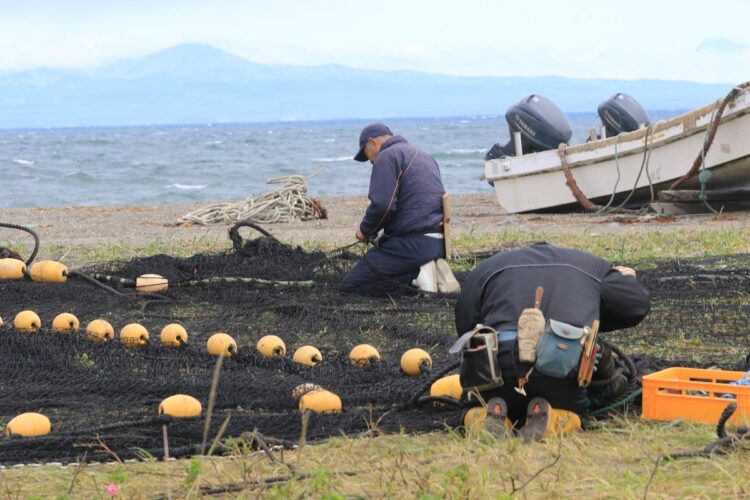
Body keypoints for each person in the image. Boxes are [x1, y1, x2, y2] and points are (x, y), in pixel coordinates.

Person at [454, 242, 650, 441]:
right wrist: (624, 279)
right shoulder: (594, 268)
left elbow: (465, 325)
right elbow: (634, 307)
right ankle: (553, 418)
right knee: (573, 410)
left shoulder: (488, 267)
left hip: (494, 373)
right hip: (563, 371)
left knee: (470, 405)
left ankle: (483, 417)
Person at [341, 123, 458, 296]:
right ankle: (427, 267)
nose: (371, 161)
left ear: (372, 142)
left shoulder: (386, 156)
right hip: (437, 242)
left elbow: (382, 206)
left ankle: (417, 277)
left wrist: (365, 231)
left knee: (351, 285)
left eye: (367, 156)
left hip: (412, 244)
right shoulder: (424, 155)